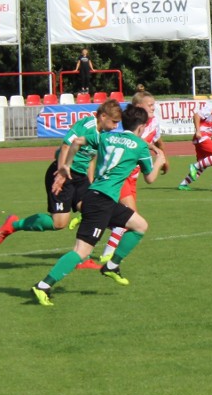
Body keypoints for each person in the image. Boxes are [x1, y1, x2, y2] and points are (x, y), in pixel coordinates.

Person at [30, 105, 166, 307]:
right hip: (101, 201)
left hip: (103, 198)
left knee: (140, 225)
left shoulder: (106, 137)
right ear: (142, 127)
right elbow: (151, 178)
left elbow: (76, 142)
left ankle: (111, 266)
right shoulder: (139, 146)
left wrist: (65, 166)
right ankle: (43, 286)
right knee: (81, 252)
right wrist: (159, 160)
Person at [0, 100, 123, 269]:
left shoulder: (103, 135)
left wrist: (91, 184)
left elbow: (92, 158)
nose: (115, 127)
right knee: (59, 223)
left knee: (91, 209)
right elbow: (65, 147)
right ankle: (14, 224)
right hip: (62, 173)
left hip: (80, 178)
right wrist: (62, 173)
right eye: (114, 122)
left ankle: (83, 258)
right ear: (103, 116)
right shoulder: (86, 125)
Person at [98, 91, 169, 263]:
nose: (153, 107)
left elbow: (157, 140)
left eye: (154, 104)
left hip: (134, 177)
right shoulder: (135, 125)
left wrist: (162, 156)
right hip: (123, 176)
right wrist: (153, 150)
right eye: (149, 105)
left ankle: (96, 223)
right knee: (131, 217)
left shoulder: (154, 123)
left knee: (129, 218)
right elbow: (133, 141)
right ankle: (108, 255)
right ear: (139, 108)